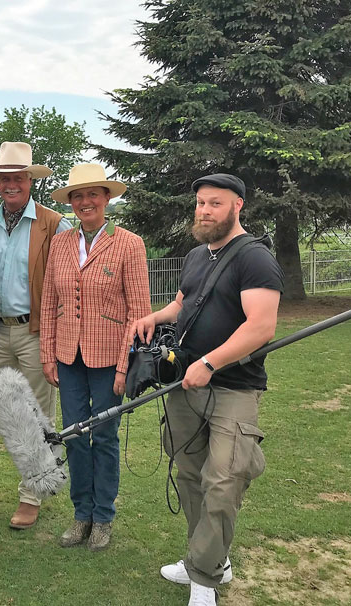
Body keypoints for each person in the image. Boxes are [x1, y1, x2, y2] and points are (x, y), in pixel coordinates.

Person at [130, 174, 283, 606]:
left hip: (233, 388)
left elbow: (261, 325)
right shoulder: (197, 254)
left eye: (215, 203)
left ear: (238, 207)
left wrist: (212, 361)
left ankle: (203, 578)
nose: (204, 210)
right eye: (200, 203)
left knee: (224, 480)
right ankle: (210, 559)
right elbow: (183, 303)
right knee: (191, 476)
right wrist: (155, 318)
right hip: (184, 384)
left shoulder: (255, 258)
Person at [39, 164, 151, 551]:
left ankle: (103, 517)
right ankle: (80, 514)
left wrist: (125, 365)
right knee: (73, 435)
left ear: (106, 198)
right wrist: (48, 353)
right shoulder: (62, 242)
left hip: (108, 360)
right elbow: (50, 300)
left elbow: (139, 312)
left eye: (92, 195)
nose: (85, 202)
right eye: (77, 196)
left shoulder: (129, 244)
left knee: (103, 436)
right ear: (70, 203)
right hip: (68, 356)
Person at [0, 141, 72, 529]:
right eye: (4, 179)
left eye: (18, 178)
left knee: (36, 414)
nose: (10, 184)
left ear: (30, 181)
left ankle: (32, 494)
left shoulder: (54, 223)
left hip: (34, 331)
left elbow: (66, 282)